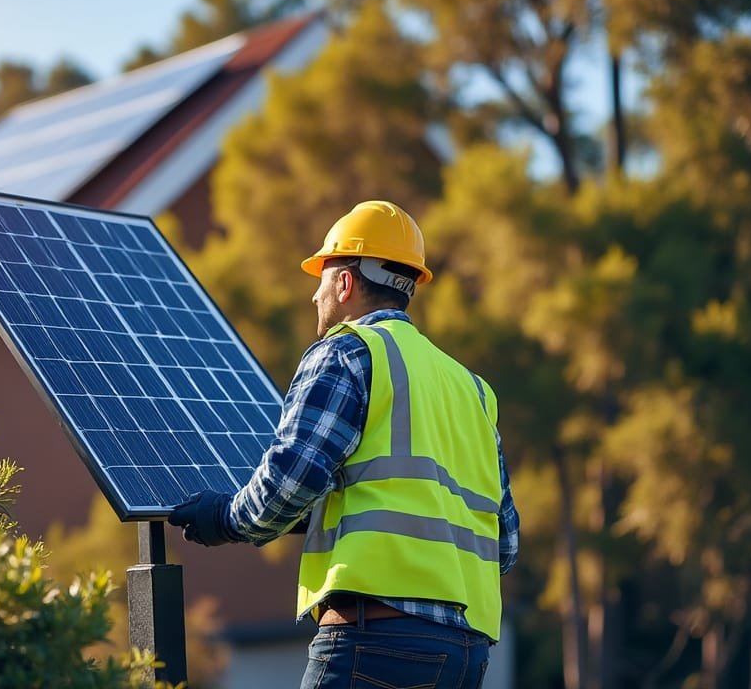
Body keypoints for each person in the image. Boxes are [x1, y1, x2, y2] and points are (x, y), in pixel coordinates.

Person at [169, 200, 519, 689]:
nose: (315, 295)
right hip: (466, 654)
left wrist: (226, 518)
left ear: (346, 282)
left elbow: (292, 479)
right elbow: (505, 542)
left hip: (375, 641)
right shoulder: (474, 390)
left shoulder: (347, 352)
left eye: (322, 277)